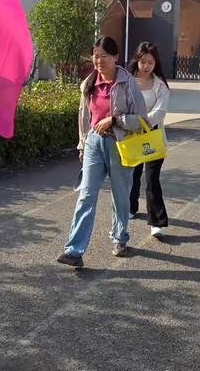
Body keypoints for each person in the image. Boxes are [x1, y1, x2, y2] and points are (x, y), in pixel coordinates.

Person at [57, 36, 147, 268]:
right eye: (95, 56)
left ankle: (120, 238)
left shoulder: (128, 83)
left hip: (120, 144)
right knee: (86, 194)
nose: (98, 61)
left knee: (120, 195)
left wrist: (114, 120)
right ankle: (74, 250)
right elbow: (83, 116)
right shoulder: (88, 83)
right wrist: (81, 143)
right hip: (93, 144)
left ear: (116, 57)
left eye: (103, 56)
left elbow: (141, 120)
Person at [128, 42, 170, 238]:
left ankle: (156, 221)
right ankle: (130, 207)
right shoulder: (126, 81)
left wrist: (141, 122)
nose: (146, 66)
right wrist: (131, 124)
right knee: (132, 175)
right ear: (137, 60)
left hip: (152, 136)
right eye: (142, 61)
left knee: (152, 179)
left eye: (150, 62)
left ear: (156, 63)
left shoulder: (160, 85)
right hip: (131, 136)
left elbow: (160, 112)